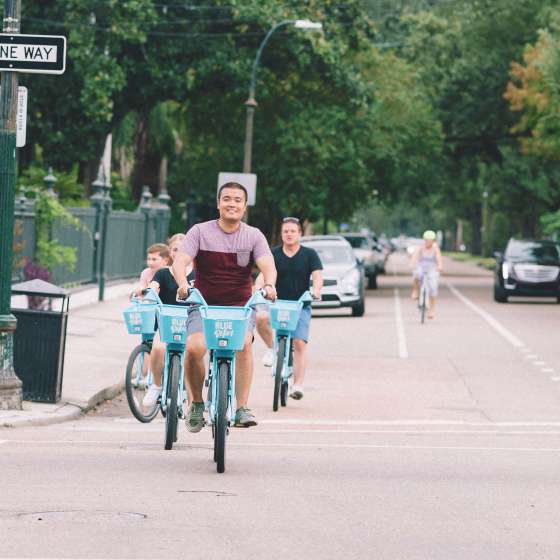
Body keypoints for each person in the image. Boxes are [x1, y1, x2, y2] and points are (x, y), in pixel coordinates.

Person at [173, 182, 277, 431]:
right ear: (218, 203)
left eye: (238, 200)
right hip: (203, 303)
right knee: (195, 348)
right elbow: (180, 262)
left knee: (242, 345)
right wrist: (181, 284)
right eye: (227, 199)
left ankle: (242, 408)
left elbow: (268, 265)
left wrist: (270, 284)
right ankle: (197, 403)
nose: (232, 203)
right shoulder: (199, 231)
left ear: (244, 206)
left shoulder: (253, 236)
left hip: (240, 305)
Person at [255, 217, 323, 400]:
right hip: (275, 303)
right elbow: (262, 276)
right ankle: (272, 349)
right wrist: (259, 288)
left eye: (293, 231)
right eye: (286, 231)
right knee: (260, 318)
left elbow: (317, 276)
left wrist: (316, 290)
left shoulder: (310, 254)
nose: (289, 234)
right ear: (282, 234)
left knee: (299, 343)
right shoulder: (273, 254)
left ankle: (298, 384)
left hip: (300, 305)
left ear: (300, 234)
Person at [141, 234, 191, 408]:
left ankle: (191, 393)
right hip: (166, 323)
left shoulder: (197, 274)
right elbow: (154, 286)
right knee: (158, 348)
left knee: (195, 352)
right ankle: (156, 385)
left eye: (184, 249)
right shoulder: (163, 273)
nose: (180, 252)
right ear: (170, 252)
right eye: (176, 249)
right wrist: (147, 291)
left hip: (190, 322)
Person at [410, 230, 443, 319]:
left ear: (433, 241)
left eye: (430, 240)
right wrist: (413, 265)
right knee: (416, 274)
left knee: (433, 288)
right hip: (421, 268)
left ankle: (432, 310)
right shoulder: (420, 248)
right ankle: (415, 290)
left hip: (432, 269)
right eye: (427, 240)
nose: (428, 242)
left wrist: (440, 267)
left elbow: (439, 259)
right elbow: (415, 257)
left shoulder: (435, 248)